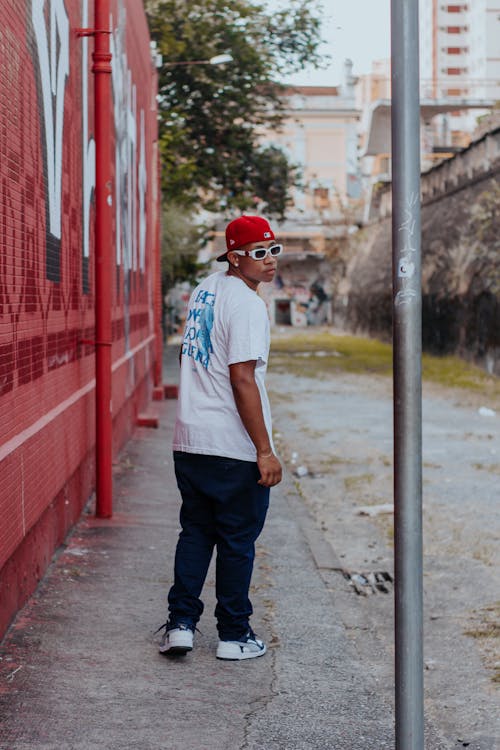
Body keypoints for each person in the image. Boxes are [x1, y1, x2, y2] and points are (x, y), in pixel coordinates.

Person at [158, 215, 283, 661]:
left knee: (195, 533)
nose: (269, 262)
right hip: (231, 447)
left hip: (190, 441)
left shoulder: (205, 290)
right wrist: (264, 450)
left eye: (274, 251)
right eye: (257, 254)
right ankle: (235, 635)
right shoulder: (247, 306)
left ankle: (181, 626)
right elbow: (242, 378)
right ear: (234, 257)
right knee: (236, 542)